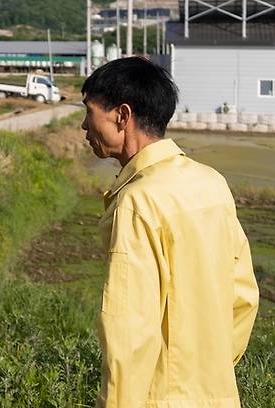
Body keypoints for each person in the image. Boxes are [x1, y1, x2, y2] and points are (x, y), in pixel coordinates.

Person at [81, 57, 259, 407]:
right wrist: (213, 369)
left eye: (89, 112)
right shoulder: (212, 182)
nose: (83, 126)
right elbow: (244, 298)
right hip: (217, 395)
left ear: (121, 115)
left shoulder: (137, 201)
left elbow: (129, 329)